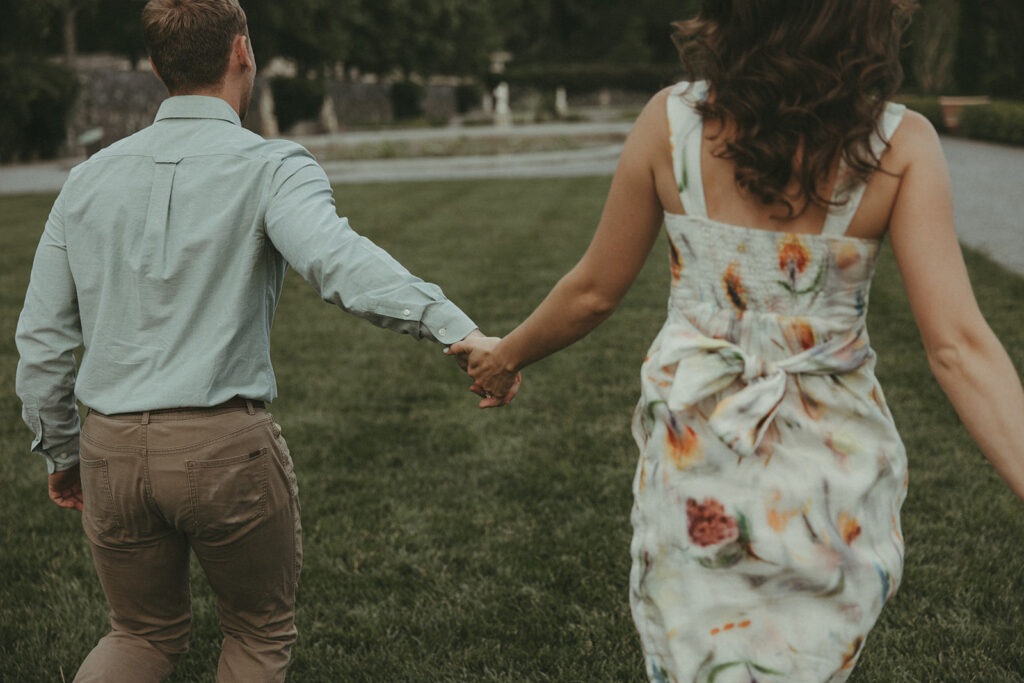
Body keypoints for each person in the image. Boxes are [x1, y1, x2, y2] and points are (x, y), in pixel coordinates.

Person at [450, 0, 1024, 679]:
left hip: (697, 457)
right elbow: (958, 346)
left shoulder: (669, 123)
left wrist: (505, 355)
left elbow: (594, 292)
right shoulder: (898, 145)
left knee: (701, 657)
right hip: (830, 470)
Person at [14, 0, 515, 680]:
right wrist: (456, 326)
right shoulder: (271, 164)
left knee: (138, 635)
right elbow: (338, 261)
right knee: (257, 633)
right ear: (242, 52)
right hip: (223, 448)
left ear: (157, 66)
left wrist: (61, 449)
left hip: (110, 451)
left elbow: (42, 340)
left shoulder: (86, 179)